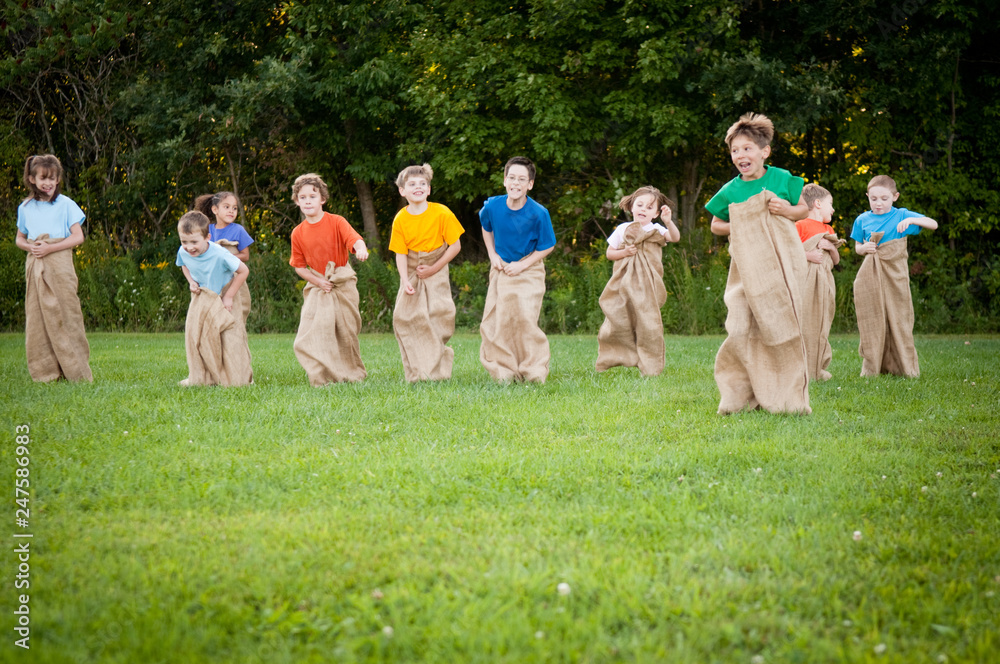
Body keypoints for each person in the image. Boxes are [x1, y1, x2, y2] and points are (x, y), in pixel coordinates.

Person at [706, 112, 811, 414]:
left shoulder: (781, 179)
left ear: (764, 151)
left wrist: (786, 210)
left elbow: (803, 209)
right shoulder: (730, 190)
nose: (740, 155)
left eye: (747, 148)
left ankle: (786, 395)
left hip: (780, 267)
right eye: (735, 150)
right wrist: (741, 221)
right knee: (740, 324)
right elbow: (716, 225)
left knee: (779, 325)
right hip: (746, 269)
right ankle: (739, 394)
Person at [15, 154, 93, 382]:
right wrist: (31, 248)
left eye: (53, 178)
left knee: (66, 313)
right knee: (38, 316)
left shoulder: (66, 204)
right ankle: (46, 372)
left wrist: (50, 248)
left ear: (58, 179)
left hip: (59, 262)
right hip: (35, 262)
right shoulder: (26, 207)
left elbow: (78, 237)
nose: (48, 183)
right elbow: (19, 238)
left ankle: (75, 370)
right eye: (43, 178)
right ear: (32, 179)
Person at [851, 174, 938, 377]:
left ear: (895, 197)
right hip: (871, 273)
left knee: (899, 317)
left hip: (896, 273)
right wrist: (865, 248)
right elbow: (857, 247)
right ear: (867, 197)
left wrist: (910, 219)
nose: (878, 203)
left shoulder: (901, 215)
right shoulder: (862, 219)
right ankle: (873, 366)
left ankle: (903, 366)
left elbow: (933, 224)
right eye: (873, 199)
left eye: (884, 198)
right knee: (874, 316)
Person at [479, 156, 556, 382]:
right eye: (511, 177)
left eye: (522, 179)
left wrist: (522, 265)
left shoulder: (538, 213)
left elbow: (548, 245)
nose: (516, 183)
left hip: (529, 268)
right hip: (501, 268)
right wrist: (493, 255)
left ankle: (533, 370)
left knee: (524, 318)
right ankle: (504, 371)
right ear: (504, 180)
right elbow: (486, 228)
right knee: (498, 320)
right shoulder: (493, 206)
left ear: (530, 184)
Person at [288, 173, 369, 386]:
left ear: (322, 199)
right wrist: (318, 282)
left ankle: (351, 373)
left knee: (346, 330)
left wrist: (361, 249)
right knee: (314, 331)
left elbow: (355, 240)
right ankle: (321, 375)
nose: (307, 201)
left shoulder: (336, 222)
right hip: (318, 285)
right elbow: (299, 267)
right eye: (302, 197)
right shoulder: (297, 233)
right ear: (297, 201)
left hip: (342, 281)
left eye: (312, 196)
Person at [389, 163, 465, 382]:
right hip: (412, 271)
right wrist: (405, 280)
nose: (418, 187)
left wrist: (433, 268)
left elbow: (455, 245)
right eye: (412, 184)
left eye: (423, 184)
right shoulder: (401, 219)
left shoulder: (441, 213)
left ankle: (438, 367)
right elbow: (401, 254)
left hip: (437, 268)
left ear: (429, 189)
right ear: (402, 191)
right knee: (404, 316)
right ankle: (416, 371)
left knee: (438, 315)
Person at [595, 186, 680, 376]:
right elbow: (610, 253)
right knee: (620, 317)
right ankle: (614, 356)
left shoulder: (656, 229)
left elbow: (675, 237)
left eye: (650, 207)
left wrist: (669, 222)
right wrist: (624, 252)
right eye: (640, 204)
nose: (643, 209)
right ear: (631, 206)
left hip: (648, 285)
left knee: (647, 321)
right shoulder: (622, 229)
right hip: (623, 283)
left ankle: (649, 366)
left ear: (657, 213)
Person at [175, 210, 252, 386]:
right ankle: (202, 377)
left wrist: (229, 297)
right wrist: (191, 281)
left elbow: (243, 271)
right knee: (199, 336)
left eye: (194, 242)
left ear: (207, 237)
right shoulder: (184, 251)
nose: (189, 247)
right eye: (184, 241)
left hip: (226, 293)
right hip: (203, 295)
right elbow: (183, 264)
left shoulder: (219, 253)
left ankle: (237, 377)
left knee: (231, 336)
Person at [795, 183, 845, 381]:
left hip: (825, 281)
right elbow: (790, 250)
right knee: (804, 321)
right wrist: (809, 255)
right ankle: (801, 367)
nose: (833, 209)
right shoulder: (799, 225)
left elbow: (836, 260)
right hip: (805, 282)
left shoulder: (828, 229)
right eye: (830, 204)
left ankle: (818, 367)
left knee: (823, 322)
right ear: (817, 203)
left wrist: (830, 248)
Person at [195, 191, 254, 327]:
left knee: (232, 314)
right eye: (226, 207)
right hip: (212, 278)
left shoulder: (238, 230)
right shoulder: (207, 230)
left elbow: (245, 255)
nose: (231, 211)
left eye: (234, 208)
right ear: (215, 209)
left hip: (232, 279)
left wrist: (225, 258)